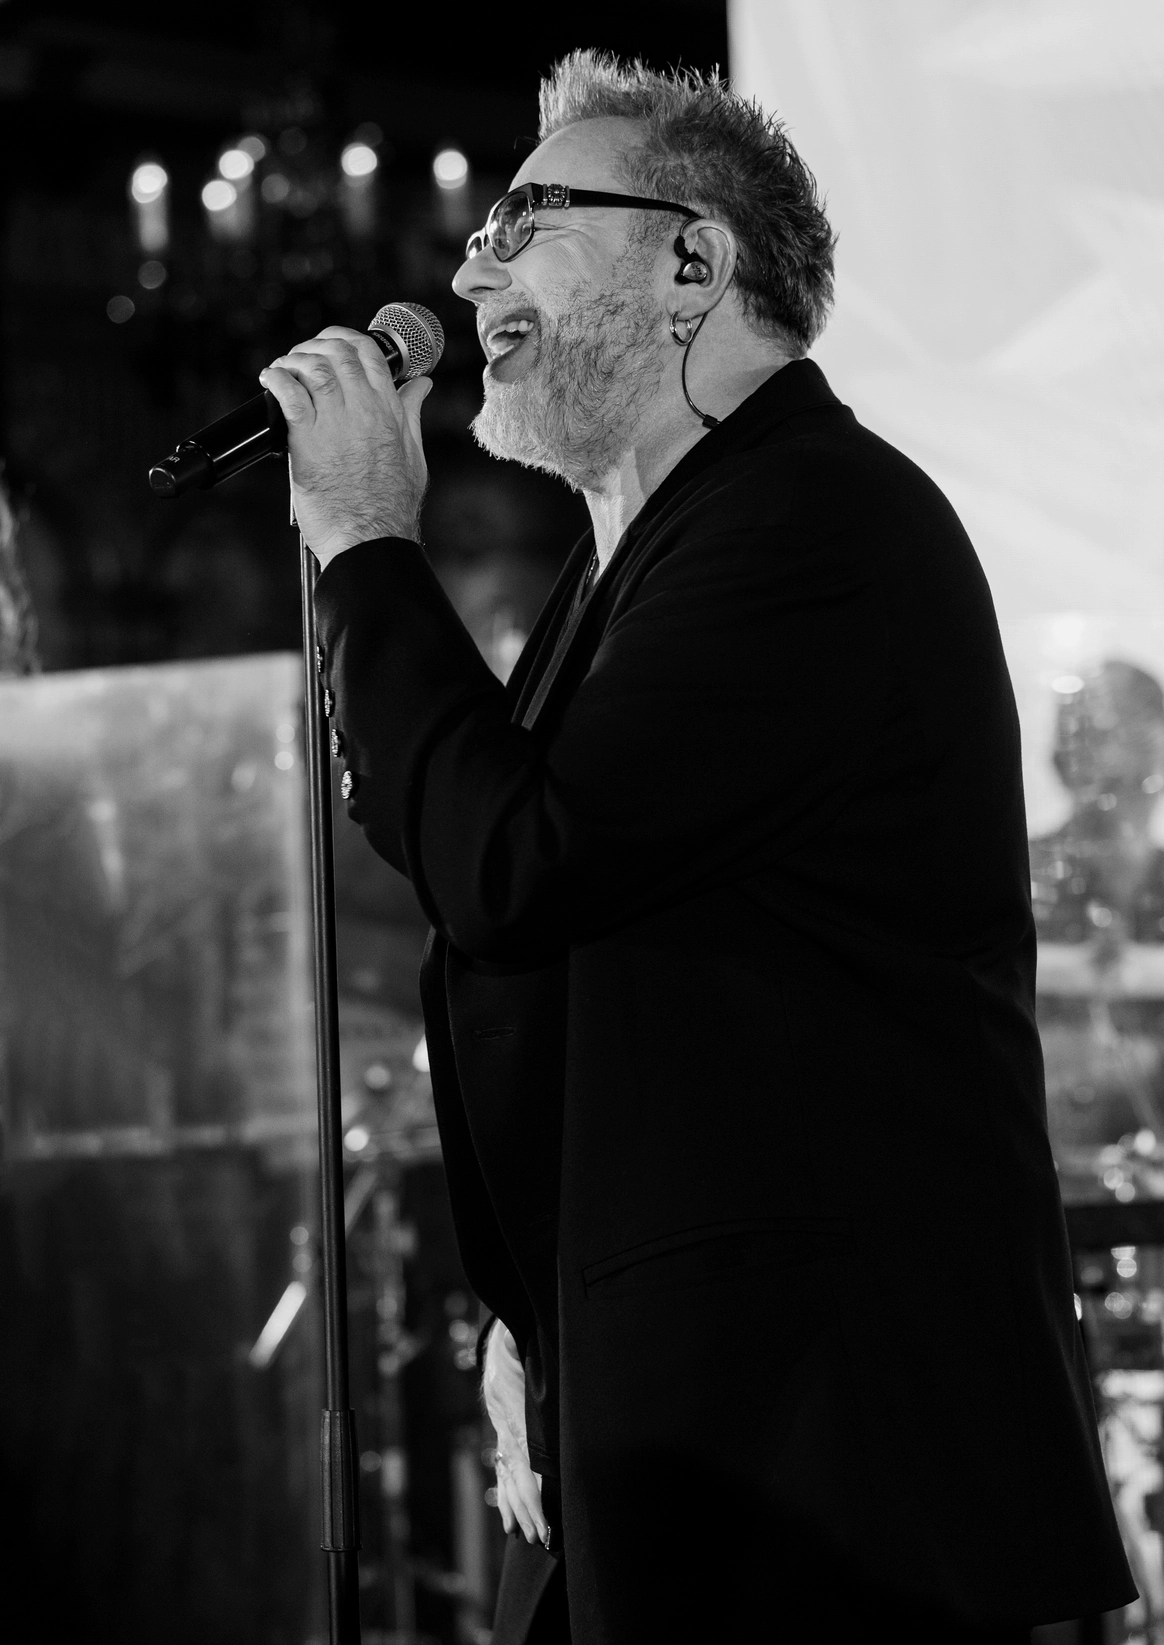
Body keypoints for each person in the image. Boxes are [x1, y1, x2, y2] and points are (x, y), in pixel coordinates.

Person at [259, 50, 1135, 1645]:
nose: (470, 273)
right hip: (691, 1421)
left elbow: (518, 862)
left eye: (526, 222)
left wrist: (372, 545)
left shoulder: (814, 523)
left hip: (821, 1461)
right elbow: (560, 915)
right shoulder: (646, 561)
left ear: (691, 263)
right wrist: (541, 1311)